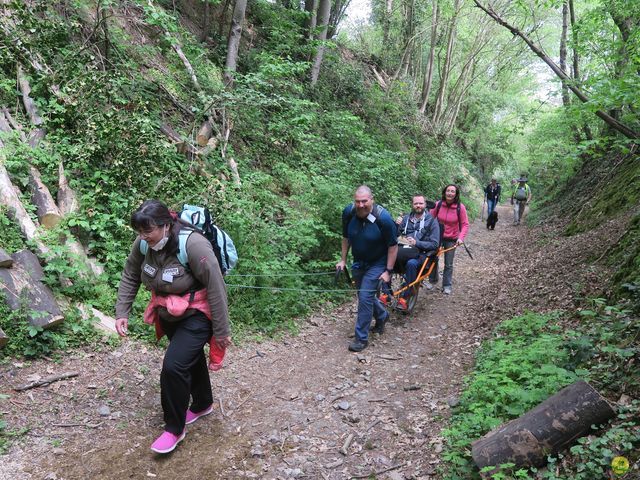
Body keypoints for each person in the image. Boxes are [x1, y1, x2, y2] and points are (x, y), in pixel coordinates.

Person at [115, 200, 231, 454]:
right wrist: (121, 312)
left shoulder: (193, 245)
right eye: (140, 232)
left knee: (173, 366)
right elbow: (131, 274)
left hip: (197, 314)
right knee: (189, 359)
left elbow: (216, 287)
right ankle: (202, 404)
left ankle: (174, 429)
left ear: (166, 225)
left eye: (149, 231)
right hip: (167, 314)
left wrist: (222, 332)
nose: (144, 237)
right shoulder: (144, 244)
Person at [336, 186, 398, 352]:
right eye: (357, 201)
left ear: (372, 199)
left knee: (364, 297)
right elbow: (346, 237)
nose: (361, 205)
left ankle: (361, 339)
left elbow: (393, 246)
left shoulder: (383, 218)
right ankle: (382, 315)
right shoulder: (348, 213)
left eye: (364, 201)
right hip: (359, 262)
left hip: (378, 262)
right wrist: (343, 260)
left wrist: (388, 271)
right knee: (364, 295)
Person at [389, 195, 440, 309]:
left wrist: (417, 243)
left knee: (411, 263)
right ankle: (386, 292)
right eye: (416, 203)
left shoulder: (432, 222)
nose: (418, 206)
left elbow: (435, 244)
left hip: (422, 254)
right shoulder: (406, 219)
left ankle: (407, 295)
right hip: (403, 251)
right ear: (412, 205)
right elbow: (395, 236)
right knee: (386, 258)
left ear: (425, 205)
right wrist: (396, 225)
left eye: (420, 203)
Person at [428, 184, 470, 295]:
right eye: (448, 191)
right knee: (432, 258)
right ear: (444, 192)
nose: (450, 193)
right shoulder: (438, 204)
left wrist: (461, 238)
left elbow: (465, 224)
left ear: (456, 194)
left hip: (452, 238)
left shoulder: (460, 208)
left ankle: (447, 285)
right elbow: (429, 219)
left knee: (448, 263)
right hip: (437, 236)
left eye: (452, 191)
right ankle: (433, 280)